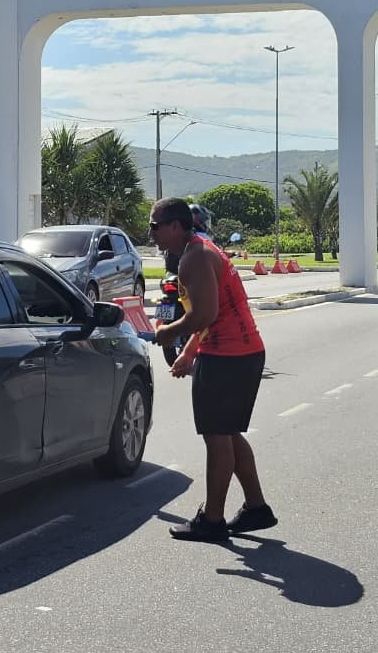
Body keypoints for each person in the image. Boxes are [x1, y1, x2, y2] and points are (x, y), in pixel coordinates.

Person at [150, 197, 275, 542]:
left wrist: (168, 333)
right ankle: (256, 507)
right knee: (230, 433)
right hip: (241, 352)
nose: (152, 234)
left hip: (228, 357)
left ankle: (213, 519)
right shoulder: (201, 250)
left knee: (217, 438)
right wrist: (189, 352)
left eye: (155, 226)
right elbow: (211, 316)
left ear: (175, 226)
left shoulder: (194, 258)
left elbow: (203, 315)